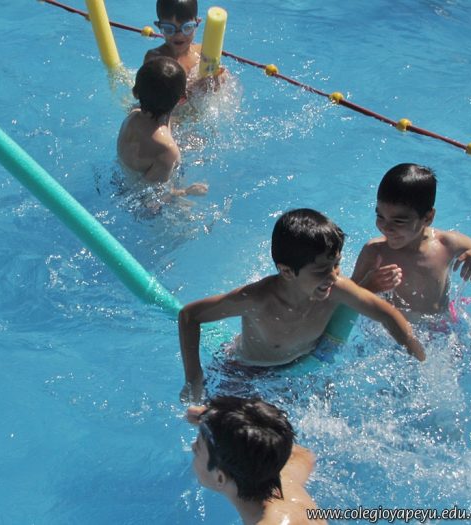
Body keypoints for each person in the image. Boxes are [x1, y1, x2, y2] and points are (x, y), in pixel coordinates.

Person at [179, 208, 425, 401]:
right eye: (321, 270)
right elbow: (190, 315)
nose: (333, 276)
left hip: (305, 366)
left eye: (337, 264)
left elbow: (387, 315)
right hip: (246, 371)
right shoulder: (257, 299)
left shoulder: (337, 288)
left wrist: (419, 360)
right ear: (287, 271)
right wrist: (193, 378)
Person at [351, 163, 471, 318]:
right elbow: (344, 296)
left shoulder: (447, 244)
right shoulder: (375, 252)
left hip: (442, 324)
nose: (386, 228)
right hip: (392, 327)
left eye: (398, 221)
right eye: (380, 216)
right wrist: (369, 287)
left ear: (428, 217)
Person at [187, 396, 326, 525]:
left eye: (197, 450)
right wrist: (220, 421)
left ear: (220, 478)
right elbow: (303, 453)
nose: (192, 446)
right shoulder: (285, 479)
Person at [117, 57, 207, 196]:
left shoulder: (132, 116)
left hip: (121, 180)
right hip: (139, 199)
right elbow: (150, 198)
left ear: (135, 92)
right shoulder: (167, 150)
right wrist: (187, 191)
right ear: (182, 99)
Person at [145, 0, 225, 92]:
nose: (179, 36)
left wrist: (218, 79)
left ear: (197, 23)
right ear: (159, 26)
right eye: (169, 29)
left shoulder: (203, 52)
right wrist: (195, 88)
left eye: (187, 28)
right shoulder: (154, 59)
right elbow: (158, 96)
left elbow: (221, 86)